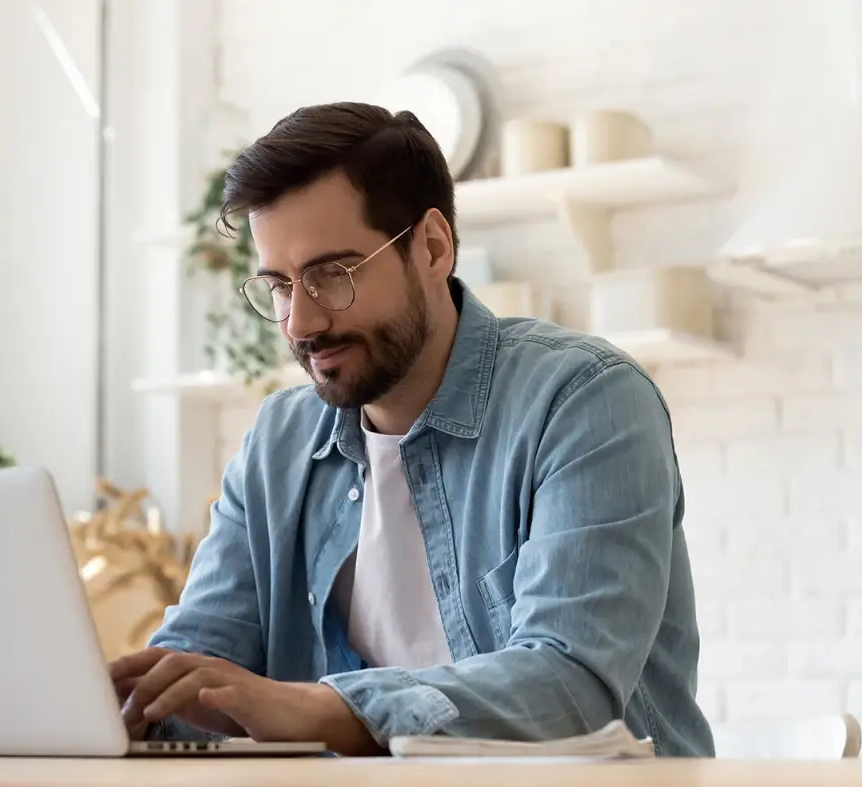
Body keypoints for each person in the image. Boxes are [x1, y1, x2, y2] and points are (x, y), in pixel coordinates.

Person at [108, 102, 714, 757]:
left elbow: (572, 686)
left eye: (332, 275)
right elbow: (197, 663)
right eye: (280, 287)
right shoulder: (278, 445)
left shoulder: (585, 401)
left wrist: (319, 707)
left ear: (432, 247)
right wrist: (123, 704)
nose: (301, 323)